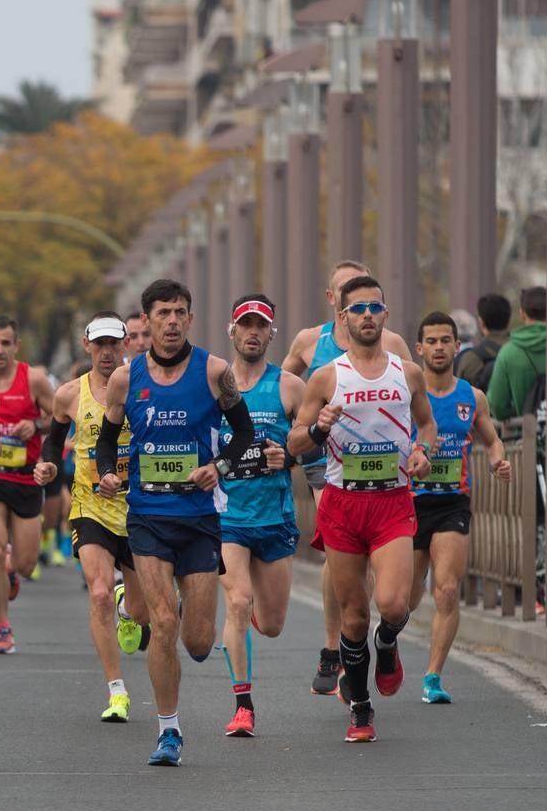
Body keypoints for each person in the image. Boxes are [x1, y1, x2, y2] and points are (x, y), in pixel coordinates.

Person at [96, 278, 258, 766]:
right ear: (145, 321)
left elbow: (244, 434)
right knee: (164, 623)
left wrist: (219, 468)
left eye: (180, 312)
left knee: (199, 642)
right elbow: (107, 440)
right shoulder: (126, 379)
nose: (171, 321)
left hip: (200, 520)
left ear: (190, 318)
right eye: (162, 313)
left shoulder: (214, 372)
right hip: (147, 517)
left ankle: (186, 607)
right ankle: (169, 731)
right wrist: (107, 473)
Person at [287, 275, 437, 743]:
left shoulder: (406, 372)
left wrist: (423, 454)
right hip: (342, 504)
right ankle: (361, 708)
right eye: (358, 309)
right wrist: (318, 430)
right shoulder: (327, 377)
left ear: (386, 315)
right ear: (343, 317)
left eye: (375, 307)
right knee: (352, 616)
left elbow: (427, 425)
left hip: (391, 500)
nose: (367, 315)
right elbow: (293, 443)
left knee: (393, 603)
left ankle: (388, 642)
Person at [34, 312, 152, 724]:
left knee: (143, 611)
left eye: (113, 344)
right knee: (98, 591)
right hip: (90, 507)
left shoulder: (143, 387)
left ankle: (128, 608)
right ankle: (116, 690)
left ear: (125, 346)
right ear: (87, 346)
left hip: (139, 510)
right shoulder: (69, 394)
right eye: (98, 345)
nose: (106, 352)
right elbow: (53, 444)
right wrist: (48, 467)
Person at [409, 311, 511, 704]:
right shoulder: (407, 393)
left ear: (456, 345)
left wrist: (497, 459)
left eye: (445, 340)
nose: (438, 348)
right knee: (403, 600)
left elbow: (493, 440)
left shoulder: (472, 396)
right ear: (419, 348)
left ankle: (433, 676)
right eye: (431, 341)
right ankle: (386, 640)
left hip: (453, 501)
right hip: (410, 503)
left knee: (447, 590)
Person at [215, 295, 304, 737]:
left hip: (275, 518)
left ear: (272, 333)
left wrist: (285, 456)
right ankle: (243, 705)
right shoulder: (214, 383)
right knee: (236, 600)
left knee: (270, 625)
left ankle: (246, 623)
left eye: (261, 326)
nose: (253, 332)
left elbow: (315, 449)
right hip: (227, 516)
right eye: (245, 325)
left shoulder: (289, 387)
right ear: (232, 331)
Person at [0, 316, 54, 654]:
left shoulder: (33, 379)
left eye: (6, 343)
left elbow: (59, 419)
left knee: (26, 564)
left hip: (25, 480)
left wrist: (34, 425)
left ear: (16, 346)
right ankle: (3, 628)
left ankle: (13, 569)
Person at [487, 286, 547, 425]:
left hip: (524, 438)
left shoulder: (508, 352)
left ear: (522, 314)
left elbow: (497, 405)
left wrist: (515, 410)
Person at [454, 293, 512, 392]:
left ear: (481, 323)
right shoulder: (522, 351)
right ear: (509, 320)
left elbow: (460, 396)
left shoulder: (470, 358)